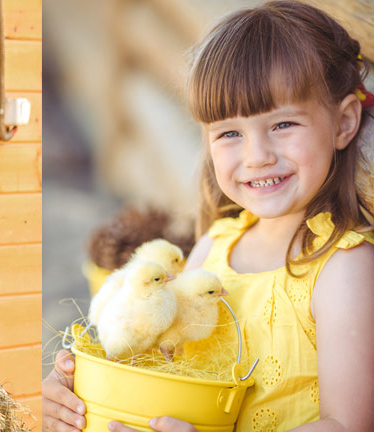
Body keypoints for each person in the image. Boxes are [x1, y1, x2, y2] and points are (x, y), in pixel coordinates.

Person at [42, 2, 374, 431]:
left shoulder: (342, 267)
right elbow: (161, 370)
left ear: (344, 122)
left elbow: (348, 425)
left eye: (284, 124)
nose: (257, 156)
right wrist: (79, 395)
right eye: (230, 133)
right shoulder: (213, 247)